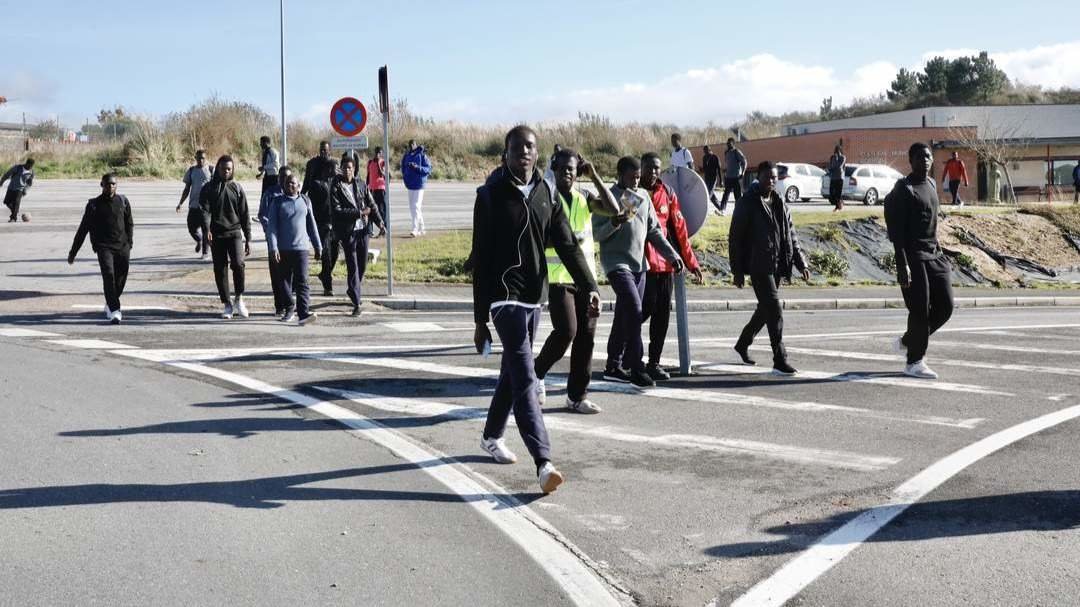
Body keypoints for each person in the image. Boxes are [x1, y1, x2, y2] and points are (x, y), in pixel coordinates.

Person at [471, 125, 600, 494]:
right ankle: (544, 462)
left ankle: (491, 436)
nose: (523, 153)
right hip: (502, 296)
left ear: (536, 154)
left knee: (512, 373)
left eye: (529, 147)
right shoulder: (491, 196)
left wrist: (590, 286)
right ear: (506, 154)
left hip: (533, 296)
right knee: (526, 375)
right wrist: (480, 319)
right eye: (516, 148)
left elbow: (568, 244)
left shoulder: (546, 193)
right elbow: (480, 259)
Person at [532, 148, 620, 415]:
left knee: (587, 336)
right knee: (566, 331)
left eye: (573, 169)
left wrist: (594, 176)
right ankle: (536, 373)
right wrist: (564, 241)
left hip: (585, 278)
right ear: (554, 169)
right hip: (558, 278)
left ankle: (577, 396)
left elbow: (614, 209)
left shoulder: (583, 197)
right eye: (562, 169)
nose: (568, 173)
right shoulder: (545, 199)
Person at [596, 156, 684, 388]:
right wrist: (615, 222)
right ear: (620, 175)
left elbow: (654, 231)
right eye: (632, 177)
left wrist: (672, 255)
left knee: (623, 316)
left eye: (638, 177)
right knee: (635, 310)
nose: (636, 182)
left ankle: (613, 366)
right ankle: (637, 367)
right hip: (616, 264)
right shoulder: (609, 197)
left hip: (639, 265)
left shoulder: (642, 197)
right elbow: (597, 234)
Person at [729, 161, 810, 376]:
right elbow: (735, 238)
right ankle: (779, 359)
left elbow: (791, 233)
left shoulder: (779, 202)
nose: (771, 181)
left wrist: (800, 262)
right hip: (758, 265)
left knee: (765, 310)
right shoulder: (748, 202)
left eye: (774, 177)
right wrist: (736, 270)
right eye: (767, 177)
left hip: (777, 265)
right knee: (774, 309)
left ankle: (742, 343)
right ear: (759, 177)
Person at [884, 142, 954, 380]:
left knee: (946, 306)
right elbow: (897, 230)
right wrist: (901, 264)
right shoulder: (904, 188)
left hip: (934, 254)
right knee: (920, 310)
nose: (925, 159)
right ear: (910, 160)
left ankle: (908, 340)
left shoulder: (932, 184)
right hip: (913, 257)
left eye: (928, 156)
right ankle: (915, 361)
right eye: (919, 156)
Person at [639, 152, 704, 381]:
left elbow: (680, 230)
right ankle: (625, 357)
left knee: (661, 317)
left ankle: (653, 362)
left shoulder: (667, 193)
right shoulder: (634, 193)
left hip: (665, 265)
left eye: (657, 168)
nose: (654, 172)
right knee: (638, 313)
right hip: (641, 266)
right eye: (649, 168)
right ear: (641, 168)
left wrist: (691, 262)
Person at [68, 173, 133, 324]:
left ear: (117, 185)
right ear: (101, 185)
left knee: (121, 277)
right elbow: (83, 229)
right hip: (104, 247)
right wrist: (73, 252)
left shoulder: (123, 201)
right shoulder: (94, 205)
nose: (111, 186)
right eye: (108, 184)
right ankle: (115, 310)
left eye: (113, 184)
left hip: (122, 246)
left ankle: (111, 301)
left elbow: (129, 223)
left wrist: (130, 242)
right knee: (108, 275)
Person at [331, 155, 385, 317]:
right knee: (353, 267)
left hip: (363, 231)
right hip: (348, 232)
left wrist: (380, 223)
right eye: (345, 167)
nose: (348, 170)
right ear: (341, 168)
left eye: (351, 168)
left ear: (354, 169)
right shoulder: (336, 186)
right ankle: (356, 302)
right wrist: (359, 213)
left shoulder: (361, 184)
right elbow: (337, 211)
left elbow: (372, 204)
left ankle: (352, 289)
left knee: (362, 265)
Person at [266, 173, 322, 325]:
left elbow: (312, 225)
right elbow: (272, 228)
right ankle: (289, 307)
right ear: (283, 186)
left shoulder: (305, 201)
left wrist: (318, 245)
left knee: (303, 282)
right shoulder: (277, 202)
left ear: (299, 186)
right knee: (284, 281)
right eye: (287, 183)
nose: (290, 185)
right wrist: (273, 248)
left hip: (302, 249)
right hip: (283, 249)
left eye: (293, 183)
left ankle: (303, 313)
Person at [201, 155, 252, 319]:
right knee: (220, 270)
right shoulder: (209, 188)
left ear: (232, 170)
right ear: (218, 168)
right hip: (216, 234)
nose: (226, 172)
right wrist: (207, 229)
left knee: (238, 264)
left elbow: (245, 214)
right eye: (223, 169)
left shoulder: (237, 188)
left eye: (229, 169)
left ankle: (239, 298)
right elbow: (205, 211)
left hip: (235, 233)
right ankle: (227, 304)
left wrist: (248, 238)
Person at [302, 141, 339, 295]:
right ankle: (328, 286)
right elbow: (306, 184)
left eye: (326, 150)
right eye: (321, 150)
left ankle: (324, 273)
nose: (324, 152)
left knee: (335, 252)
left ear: (329, 151)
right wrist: (301, 197)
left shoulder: (334, 166)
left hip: (335, 217)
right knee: (326, 252)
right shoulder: (312, 165)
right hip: (319, 215)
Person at [258, 166, 295, 316]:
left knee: (290, 273)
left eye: (287, 177)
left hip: (290, 240)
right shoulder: (270, 193)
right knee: (276, 273)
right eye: (281, 177)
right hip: (274, 240)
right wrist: (270, 230)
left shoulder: (294, 193)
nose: (284, 180)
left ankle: (290, 303)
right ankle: (279, 305)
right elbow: (263, 215)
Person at [175, 150, 213, 259]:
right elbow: (187, 189)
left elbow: (216, 189)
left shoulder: (211, 170)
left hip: (206, 208)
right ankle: (199, 240)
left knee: (206, 230)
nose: (201, 160)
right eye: (199, 158)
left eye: (203, 158)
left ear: (206, 158)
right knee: (191, 228)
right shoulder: (191, 171)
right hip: (193, 206)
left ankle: (205, 253)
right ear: (195, 158)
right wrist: (180, 203)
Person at [401, 139, 432, 237]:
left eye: (413, 144)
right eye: (409, 144)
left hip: (419, 184)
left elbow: (428, 169)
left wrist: (417, 167)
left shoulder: (422, 155)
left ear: (416, 145)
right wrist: (405, 176)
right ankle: (422, 228)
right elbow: (403, 168)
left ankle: (415, 229)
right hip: (410, 184)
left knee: (416, 206)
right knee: (414, 208)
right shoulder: (407, 156)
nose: (411, 146)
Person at [719, 138, 747, 216]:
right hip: (728, 177)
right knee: (725, 194)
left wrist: (743, 173)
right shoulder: (726, 153)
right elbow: (729, 164)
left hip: (736, 177)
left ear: (733, 144)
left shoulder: (736, 152)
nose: (728, 144)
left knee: (737, 195)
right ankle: (722, 209)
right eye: (727, 143)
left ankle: (739, 211)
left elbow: (744, 162)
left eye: (729, 143)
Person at [1, 158, 35, 222]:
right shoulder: (17, 168)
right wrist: (2, 181)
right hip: (11, 187)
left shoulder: (31, 172)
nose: (30, 167)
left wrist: (25, 190)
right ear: (26, 163)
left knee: (16, 203)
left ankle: (13, 218)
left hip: (20, 189)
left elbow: (29, 183)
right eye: (29, 165)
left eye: (31, 166)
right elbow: (7, 174)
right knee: (6, 202)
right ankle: (15, 210)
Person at [366, 146, 388, 223]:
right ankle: (369, 231)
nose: (377, 154)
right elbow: (368, 175)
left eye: (380, 153)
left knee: (381, 209)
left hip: (380, 189)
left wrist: (378, 163)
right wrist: (366, 186)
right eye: (377, 152)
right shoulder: (370, 162)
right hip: (372, 189)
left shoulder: (383, 162)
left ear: (381, 154)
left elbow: (382, 175)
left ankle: (384, 228)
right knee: (371, 209)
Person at [702, 144, 722, 211]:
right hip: (707, 178)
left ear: (709, 150)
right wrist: (701, 169)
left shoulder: (715, 157)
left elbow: (719, 169)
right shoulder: (704, 158)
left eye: (706, 151)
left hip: (713, 178)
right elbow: (705, 169)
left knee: (709, 193)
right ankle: (720, 208)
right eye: (704, 151)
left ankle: (704, 209)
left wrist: (721, 180)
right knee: (711, 195)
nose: (705, 152)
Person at [827, 145, 846, 212]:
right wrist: (830, 168)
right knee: (832, 193)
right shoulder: (833, 157)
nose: (837, 152)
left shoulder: (843, 157)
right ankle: (841, 203)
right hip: (833, 177)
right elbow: (830, 166)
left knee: (838, 193)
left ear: (840, 151)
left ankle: (837, 207)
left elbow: (839, 166)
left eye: (838, 151)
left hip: (839, 178)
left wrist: (836, 160)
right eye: (836, 151)